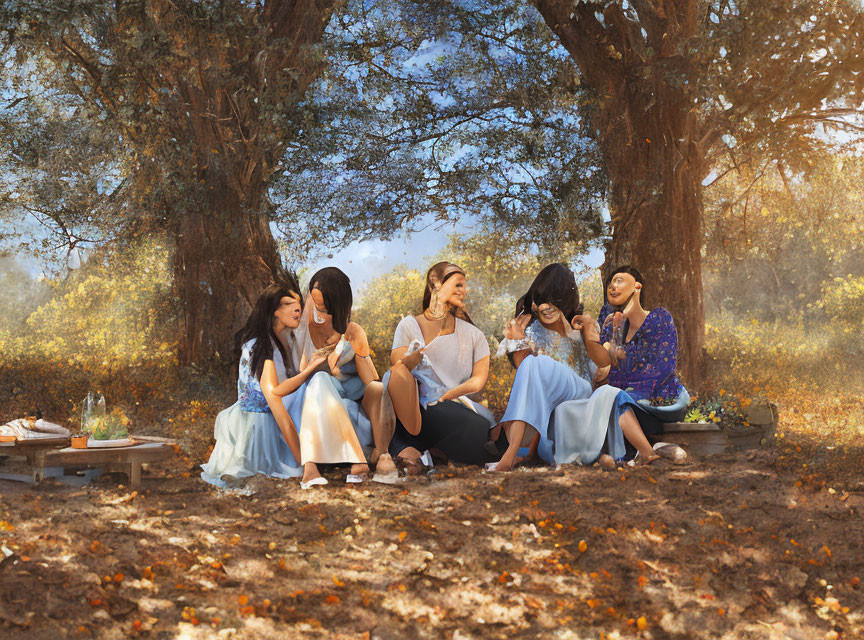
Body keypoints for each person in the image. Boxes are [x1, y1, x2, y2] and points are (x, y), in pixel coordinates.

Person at [492, 263, 659, 472]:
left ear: (567, 302)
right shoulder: (531, 330)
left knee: (610, 392)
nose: (548, 307)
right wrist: (518, 341)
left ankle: (648, 454)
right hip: (556, 412)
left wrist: (590, 337)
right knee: (535, 363)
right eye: (543, 300)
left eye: (556, 300)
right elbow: (525, 376)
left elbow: (601, 368)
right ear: (535, 302)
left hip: (583, 396)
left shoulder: (579, 330)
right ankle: (513, 452)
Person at [201, 278, 325, 492]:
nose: (297, 308)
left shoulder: (280, 340)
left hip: (263, 415)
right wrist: (305, 464)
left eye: (298, 303)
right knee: (308, 388)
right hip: (260, 425)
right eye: (288, 303)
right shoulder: (261, 346)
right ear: (274, 311)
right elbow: (275, 398)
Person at [381, 261, 500, 472]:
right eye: (458, 285)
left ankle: (419, 451)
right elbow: (397, 368)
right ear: (434, 285)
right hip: (415, 407)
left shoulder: (474, 335)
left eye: (465, 285)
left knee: (474, 426)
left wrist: (448, 395)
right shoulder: (409, 325)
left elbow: (478, 381)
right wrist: (415, 356)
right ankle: (420, 451)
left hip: (452, 405)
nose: (464, 291)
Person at [285, 267, 394, 488]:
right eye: (315, 307)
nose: (318, 315)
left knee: (324, 383)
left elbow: (371, 383)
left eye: (324, 309)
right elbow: (302, 370)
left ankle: (314, 464)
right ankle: (322, 463)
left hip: (349, 410)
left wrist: (358, 351)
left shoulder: (352, 332)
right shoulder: (304, 327)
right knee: (318, 381)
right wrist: (319, 362)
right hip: (317, 409)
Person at [596, 266, 690, 454]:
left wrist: (620, 356)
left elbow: (663, 368)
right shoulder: (609, 326)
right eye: (610, 284)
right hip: (627, 405)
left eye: (619, 281)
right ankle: (651, 451)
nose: (612, 287)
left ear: (637, 287)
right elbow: (602, 371)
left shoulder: (659, 318)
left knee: (614, 399)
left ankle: (647, 452)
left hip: (661, 403)